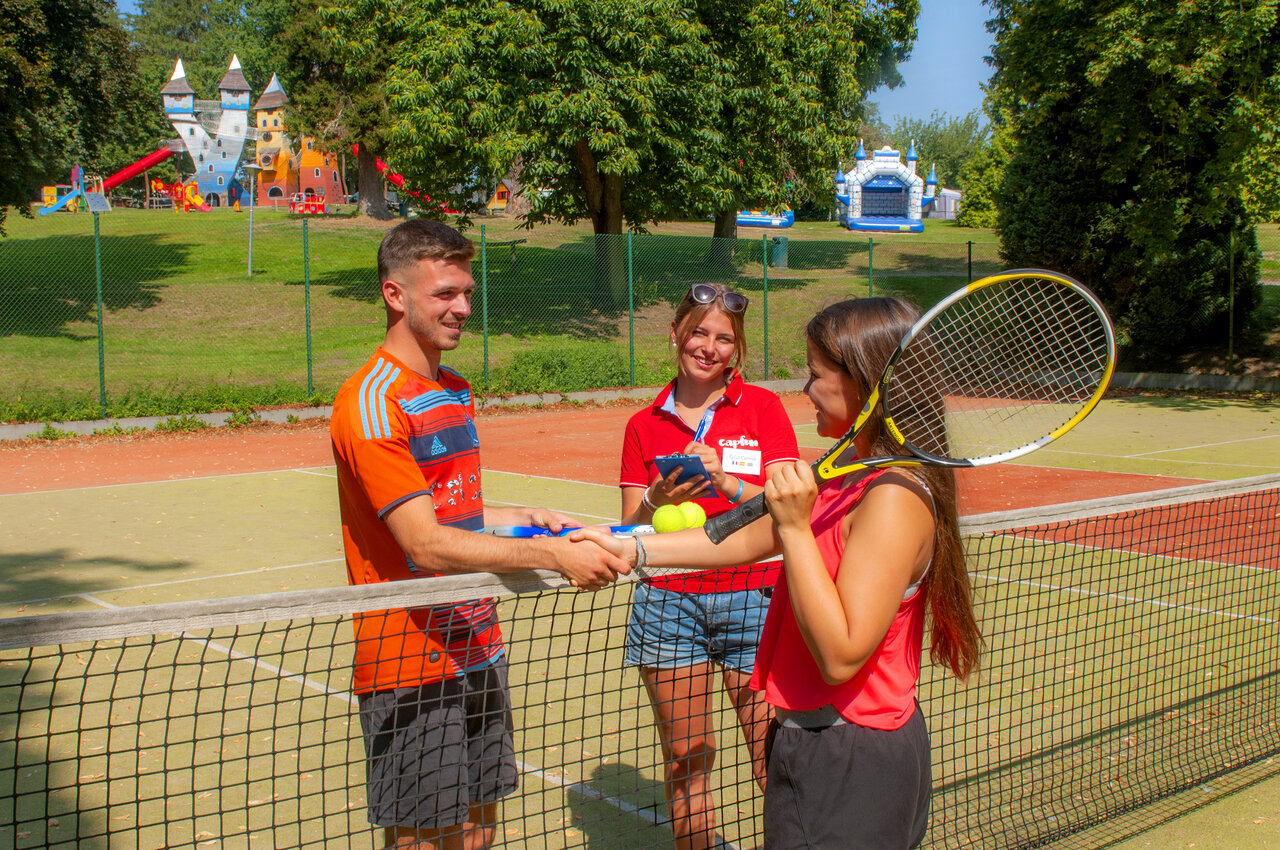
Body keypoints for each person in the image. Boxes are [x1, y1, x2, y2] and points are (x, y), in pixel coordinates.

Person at [580, 297, 982, 849]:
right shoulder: (847, 470)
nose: (806, 389)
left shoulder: (893, 495)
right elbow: (747, 537)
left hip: (852, 750)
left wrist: (794, 528)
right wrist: (632, 550)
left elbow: (841, 655)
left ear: (864, 385)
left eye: (816, 375)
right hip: (809, 740)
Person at [330, 218, 630, 850]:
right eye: (444, 293)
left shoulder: (455, 391)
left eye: (466, 291)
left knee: (477, 829)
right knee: (419, 838)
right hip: (410, 661)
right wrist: (548, 555)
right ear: (396, 295)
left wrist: (533, 523)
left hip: (479, 644)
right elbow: (425, 543)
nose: (463, 307)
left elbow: (456, 517)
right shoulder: (371, 400)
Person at [618, 282, 799, 850]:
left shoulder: (764, 408)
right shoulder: (642, 425)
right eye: (699, 332)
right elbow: (630, 523)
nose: (709, 347)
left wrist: (726, 481)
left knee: (775, 753)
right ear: (676, 333)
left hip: (756, 595)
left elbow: (790, 501)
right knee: (686, 758)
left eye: (724, 338)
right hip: (669, 602)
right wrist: (656, 497)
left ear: (737, 348)